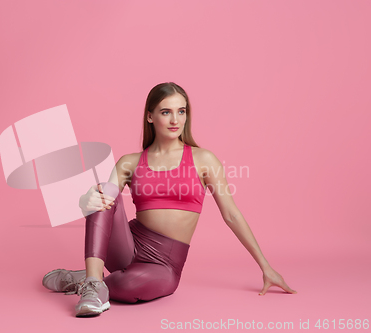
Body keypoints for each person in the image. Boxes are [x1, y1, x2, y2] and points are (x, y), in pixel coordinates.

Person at [42, 82, 297, 317]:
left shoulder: (203, 159)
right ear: (150, 116)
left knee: (126, 285)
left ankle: (87, 278)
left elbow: (231, 214)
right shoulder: (130, 162)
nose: (176, 120)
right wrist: (85, 199)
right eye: (166, 112)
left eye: (181, 111)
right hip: (126, 246)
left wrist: (265, 266)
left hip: (164, 263)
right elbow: (103, 206)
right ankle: (94, 284)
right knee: (104, 190)